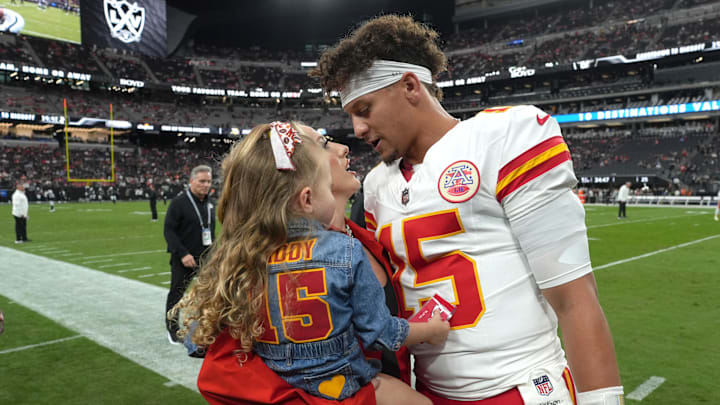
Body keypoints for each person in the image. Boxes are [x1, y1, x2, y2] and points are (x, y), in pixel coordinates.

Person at [310, 14, 623, 405]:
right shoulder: (374, 186)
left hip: (522, 388)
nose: (357, 129)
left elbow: (574, 297)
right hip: (425, 394)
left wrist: (602, 399)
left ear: (409, 86)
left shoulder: (507, 137)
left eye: (365, 108)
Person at [173, 122, 449, 404]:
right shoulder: (340, 252)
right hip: (355, 385)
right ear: (303, 191)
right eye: (322, 144)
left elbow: (196, 339)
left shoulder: (367, 233)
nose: (344, 148)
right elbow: (226, 378)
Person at [163, 165, 215, 344]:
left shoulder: (209, 202)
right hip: (183, 259)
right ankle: (172, 329)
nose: (206, 185)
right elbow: (169, 231)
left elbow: (210, 230)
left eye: (208, 181)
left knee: (212, 293)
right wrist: (183, 254)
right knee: (176, 294)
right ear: (192, 181)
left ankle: (208, 326)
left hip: (205, 257)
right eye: (202, 181)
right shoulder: (179, 202)